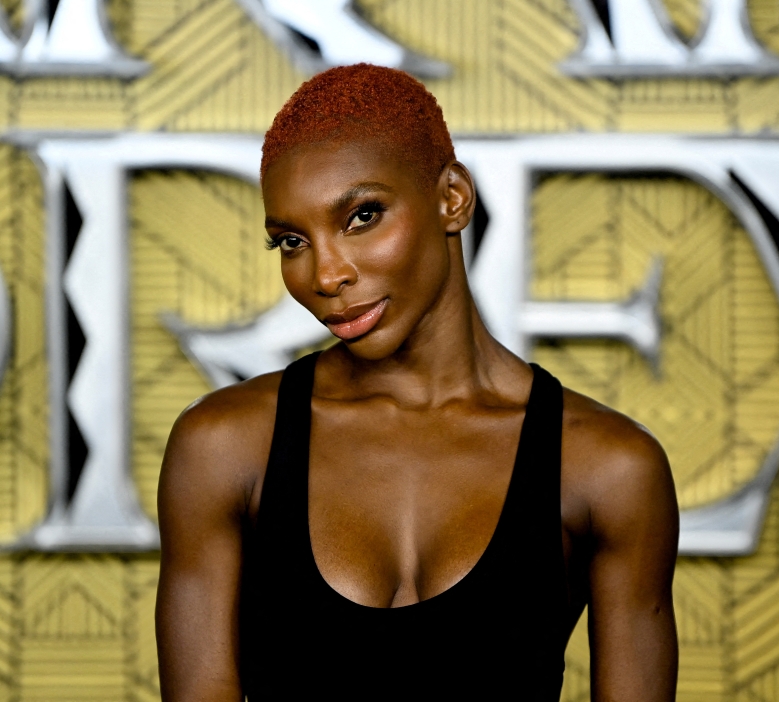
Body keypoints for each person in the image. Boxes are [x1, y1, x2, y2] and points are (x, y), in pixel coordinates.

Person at [155, 63, 679, 701]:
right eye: (292, 241)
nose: (326, 274)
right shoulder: (224, 448)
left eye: (361, 217)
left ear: (451, 198)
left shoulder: (607, 468)